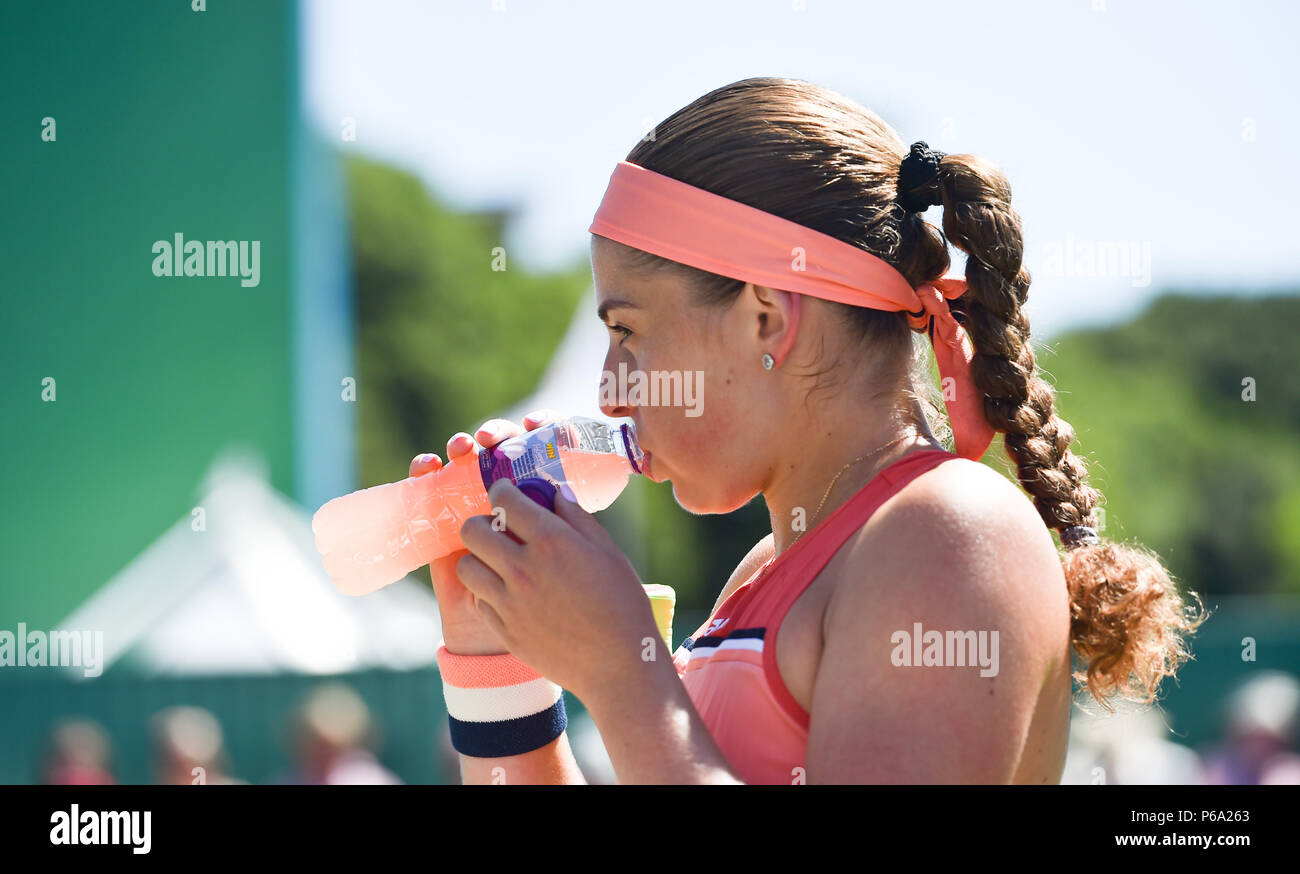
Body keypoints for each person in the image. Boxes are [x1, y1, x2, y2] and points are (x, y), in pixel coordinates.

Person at [414, 77, 1205, 784]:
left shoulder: (950, 533)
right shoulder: (772, 564)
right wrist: (501, 669)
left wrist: (627, 670)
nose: (609, 393)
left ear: (766, 318)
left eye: (626, 333)